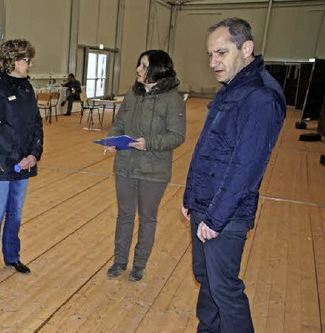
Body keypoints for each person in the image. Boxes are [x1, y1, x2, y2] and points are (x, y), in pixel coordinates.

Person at [182, 18, 285, 332]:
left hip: (224, 213)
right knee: (206, 279)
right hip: (205, 204)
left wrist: (215, 218)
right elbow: (207, 148)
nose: (214, 63)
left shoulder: (261, 97)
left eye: (222, 53)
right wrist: (190, 196)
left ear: (246, 48)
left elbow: (246, 167)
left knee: (225, 289)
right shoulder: (233, 88)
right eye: (210, 55)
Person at [104, 50, 186, 282]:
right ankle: (120, 261)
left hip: (154, 170)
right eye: (139, 64)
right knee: (125, 215)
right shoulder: (133, 94)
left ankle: (139, 265)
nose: (138, 70)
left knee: (147, 218)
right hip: (126, 166)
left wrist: (148, 143)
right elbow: (119, 122)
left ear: (157, 70)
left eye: (143, 66)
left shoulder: (173, 100)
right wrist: (112, 141)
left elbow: (177, 136)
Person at [0, 39, 44, 281]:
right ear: (12, 61)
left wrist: (33, 155)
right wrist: (15, 157)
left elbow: (36, 124)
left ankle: (12, 256)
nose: (29, 64)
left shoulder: (27, 88)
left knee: (15, 213)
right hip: (1, 164)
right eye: (26, 60)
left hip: (24, 163)